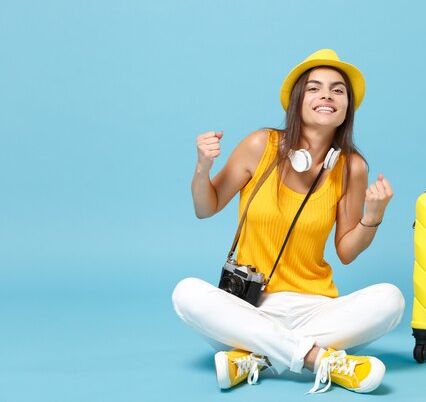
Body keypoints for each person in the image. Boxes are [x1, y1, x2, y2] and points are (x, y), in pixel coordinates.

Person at [172, 49, 405, 394]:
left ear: (346, 108)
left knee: (391, 300)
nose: (326, 95)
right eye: (314, 88)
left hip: (315, 309)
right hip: (249, 307)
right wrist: (201, 167)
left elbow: (346, 251)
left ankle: (257, 358)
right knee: (186, 293)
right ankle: (319, 360)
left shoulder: (352, 166)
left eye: (337, 90)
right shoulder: (260, 145)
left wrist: (373, 217)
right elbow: (206, 207)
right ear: (297, 101)